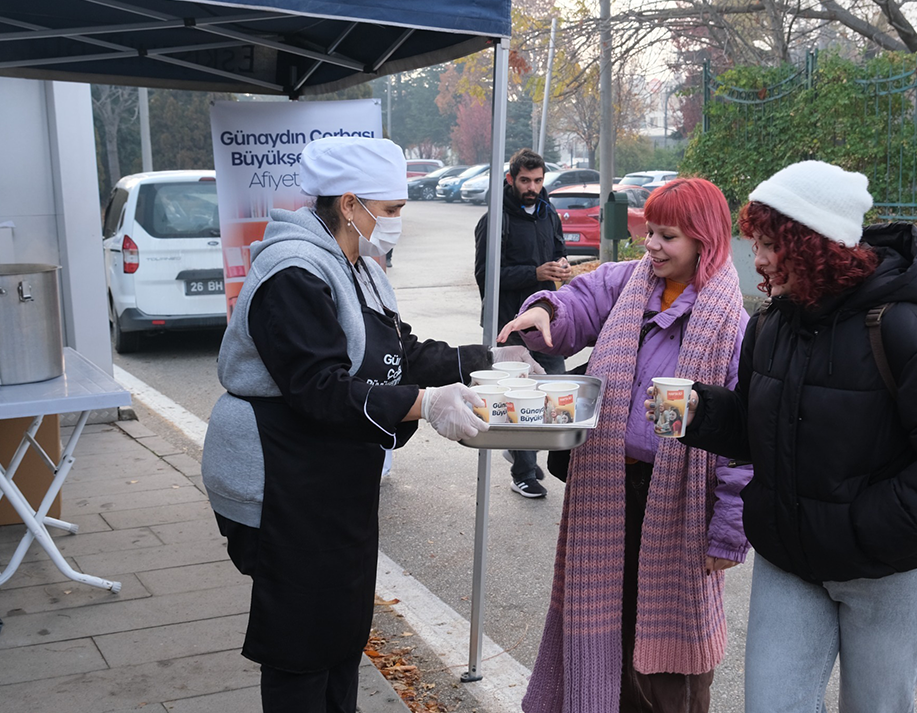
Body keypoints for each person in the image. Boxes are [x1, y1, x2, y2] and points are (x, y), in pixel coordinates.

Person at [201, 137, 543, 713]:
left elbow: (399, 353)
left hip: (334, 476)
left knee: (342, 626)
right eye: (391, 211)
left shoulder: (359, 266)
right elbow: (319, 392)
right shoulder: (292, 272)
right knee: (302, 643)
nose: (396, 224)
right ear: (351, 203)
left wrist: (488, 360)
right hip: (282, 477)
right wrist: (427, 405)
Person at [664, 161, 917, 713]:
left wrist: (864, 526)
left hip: (889, 575)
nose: (753, 258)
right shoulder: (772, 324)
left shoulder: (903, 328)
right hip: (791, 565)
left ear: (810, 244)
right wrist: (701, 412)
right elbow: (765, 434)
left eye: (767, 244)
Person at [501, 178, 753, 713]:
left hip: (680, 507)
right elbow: (578, 300)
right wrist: (545, 309)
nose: (653, 246)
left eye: (669, 237)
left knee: (666, 655)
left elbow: (742, 440)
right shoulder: (630, 284)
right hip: (608, 487)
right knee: (603, 628)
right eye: (651, 232)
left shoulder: (732, 326)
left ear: (705, 240)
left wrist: (728, 532)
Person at [475, 147, 569, 498]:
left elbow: (557, 250)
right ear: (510, 179)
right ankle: (523, 473)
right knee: (523, 398)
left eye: (538, 180)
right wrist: (533, 273)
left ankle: (521, 451)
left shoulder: (548, 213)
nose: (532, 187)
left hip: (547, 323)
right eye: (525, 180)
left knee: (554, 390)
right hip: (509, 326)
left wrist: (560, 267)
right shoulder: (494, 219)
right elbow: (486, 276)